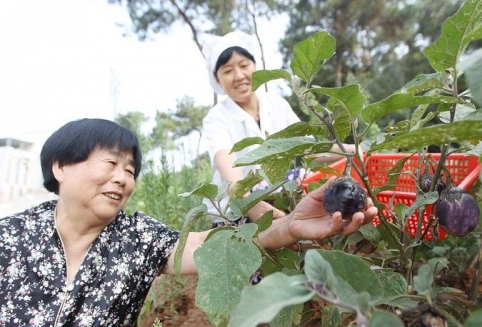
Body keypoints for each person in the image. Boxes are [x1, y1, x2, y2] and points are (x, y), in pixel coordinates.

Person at [0, 118, 377, 326]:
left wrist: (289, 225)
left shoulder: (136, 237)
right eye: (111, 163)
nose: (122, 178)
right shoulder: (10, 238)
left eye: (130, 170)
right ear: (60, 166)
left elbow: (207, 246)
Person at [201, 30, 357, 227]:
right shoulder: (217, 117)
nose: (239, 76)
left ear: (255, 66)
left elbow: (307, 147)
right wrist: (251, 205)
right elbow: (226, 164)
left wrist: (352, 150)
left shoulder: (276, 104)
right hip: (236, 209)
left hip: (274, 197)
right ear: (217, 79)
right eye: (227, 70)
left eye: (243, 65)